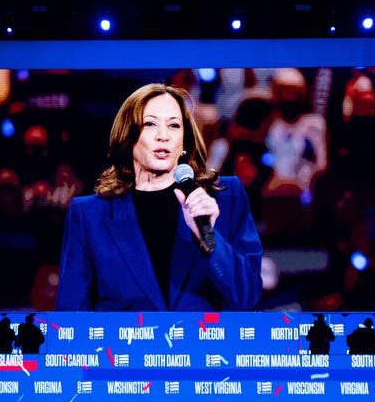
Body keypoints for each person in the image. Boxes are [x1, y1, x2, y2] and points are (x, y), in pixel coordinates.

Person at [55, 83, 262, 311]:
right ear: (128, 136)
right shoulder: (89, 214)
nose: (163, 136)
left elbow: (248, 296)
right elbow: (71, 314)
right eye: (150, 124)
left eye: (174, 125)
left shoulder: (225, 196)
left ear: (184, 141)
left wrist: (209, 240)